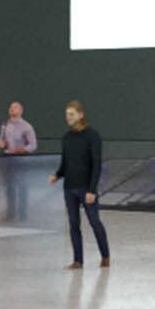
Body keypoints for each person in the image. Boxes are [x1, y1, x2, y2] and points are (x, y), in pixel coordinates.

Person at [49, 100, 108, 269]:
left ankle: (105, 255)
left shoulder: (92, 136)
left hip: (86, 188)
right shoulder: (67, 138)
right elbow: (65, 162)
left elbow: (96, 164)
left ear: (81, 115)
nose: (68, 117)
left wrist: (92, 190)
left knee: (94, 221)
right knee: (74, 224)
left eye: (71, 114)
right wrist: (57, 175)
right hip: (69, 188)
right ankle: (78, 260)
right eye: (66, 114)